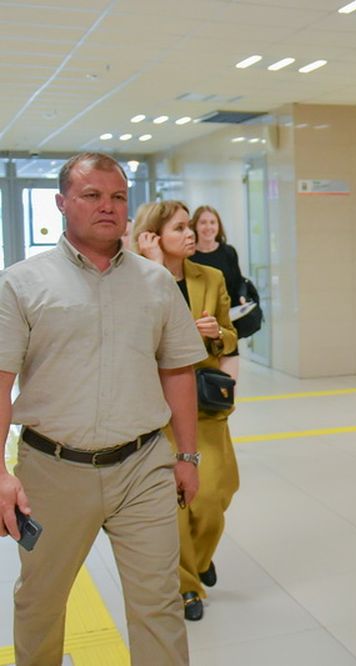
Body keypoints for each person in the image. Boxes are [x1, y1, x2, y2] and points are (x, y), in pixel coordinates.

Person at [0, 152, 205, 665]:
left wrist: (187, 456)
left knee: (159, 604)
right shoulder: (21, 283)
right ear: (61, 202)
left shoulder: (156, 282)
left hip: (143, 467)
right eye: (92, 195)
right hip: (53, 470)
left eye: (118, 197)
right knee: (40, 601)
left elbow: (178, 371)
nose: (107, 206)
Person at [134, 200, 239, 623]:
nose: (190, 233)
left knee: (215, 495)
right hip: (154, 407)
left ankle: (199, 559)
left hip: (203, 404)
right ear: (154, 237)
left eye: (189, 226)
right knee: (174, 504)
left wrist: (216, 334)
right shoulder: (137, 279)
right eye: (179, 228)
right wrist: (155, 269)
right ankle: (187, 587)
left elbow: (231, 336)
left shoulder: (210, 277)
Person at [189, 205, 246, 381]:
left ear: (219, 226)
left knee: (227, 387)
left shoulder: (228, 252)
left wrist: (242, 297)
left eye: (212, 222)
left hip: (225, 323)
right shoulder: (189, 255)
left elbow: (238, 281)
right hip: (200, 328)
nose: (208, 227)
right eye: (203, 222)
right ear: (195, 226)